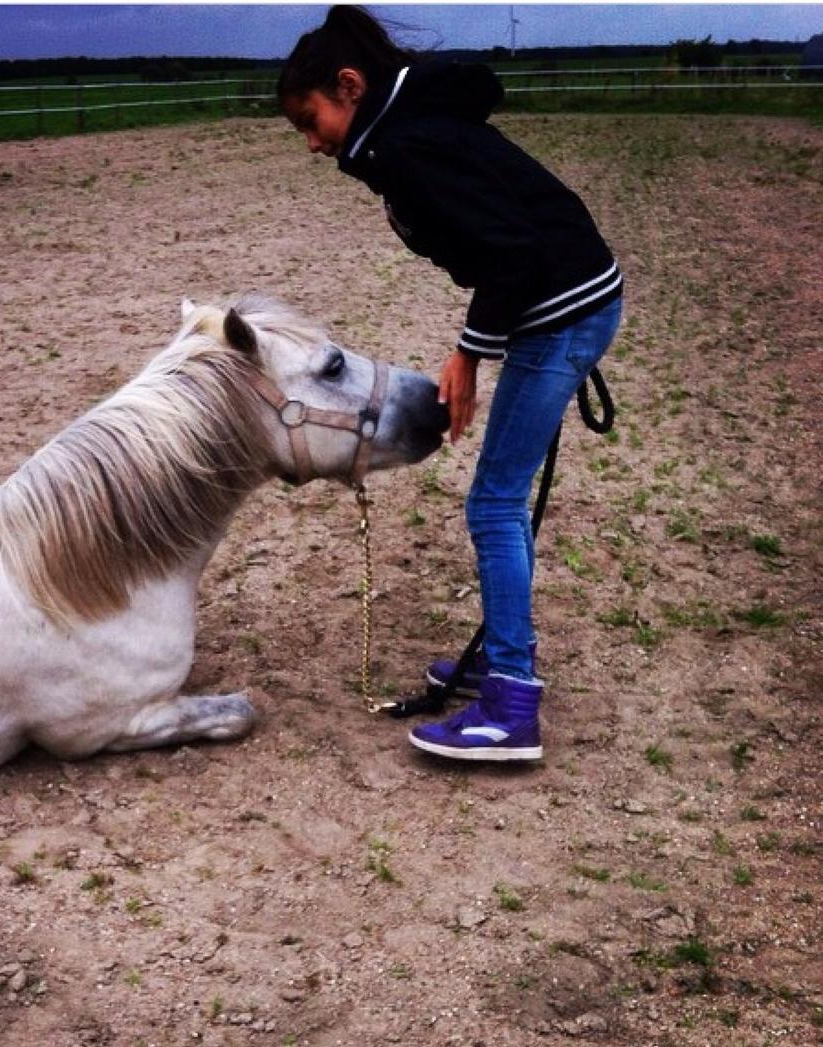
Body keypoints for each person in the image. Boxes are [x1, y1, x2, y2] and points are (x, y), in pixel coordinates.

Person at [278, 6, 623, 761]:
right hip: (566, 303)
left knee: (494, 503)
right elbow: (508, 244)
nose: (311, 142)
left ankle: (510, 704)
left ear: (349, 84)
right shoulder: (406, 135)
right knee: (498, 499)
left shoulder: (410, 144)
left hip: (563, 310)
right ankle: (503, 664)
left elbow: (512, 253)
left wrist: (468, 354)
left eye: (312, 119)